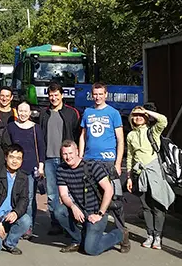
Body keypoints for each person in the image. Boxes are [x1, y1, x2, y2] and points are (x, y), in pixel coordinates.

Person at [55, 140, 130, 255]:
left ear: (77, 152)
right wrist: (73, 206)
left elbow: (109, 190)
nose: (68, 157)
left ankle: (119, 234)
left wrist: (100, 214)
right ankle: (78, 239)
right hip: (79, 210)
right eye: (65, 154)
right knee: (59, 211)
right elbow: (64, 194)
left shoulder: (91, 166)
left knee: (91, 250)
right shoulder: (61, 170)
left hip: (96, 211)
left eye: (70, 153)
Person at [125, 106, 174, 250]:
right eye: (135, 115)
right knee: (146, 206)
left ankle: (158, 236)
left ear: (146, 117)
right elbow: (130, 157)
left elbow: (163, 121)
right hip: (140, 174)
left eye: (141, 115)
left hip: (155, 173)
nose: (138, 117)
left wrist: (147, 112)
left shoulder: (153, 131)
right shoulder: (131, 136)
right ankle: (150, 235)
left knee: (158, 205)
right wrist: (128, 176)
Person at [78, 83, 125, 229]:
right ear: (92, 95)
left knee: (115, 198)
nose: (97, 97)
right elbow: (82, 136)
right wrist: (80, 156)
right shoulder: (87, 112)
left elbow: (120, 140)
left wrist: (118, 163)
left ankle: (122, 232)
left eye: (100, 94)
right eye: (95, 94)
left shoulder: (113, 113)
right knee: (90, 196)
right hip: (90, 160)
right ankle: (92, 228)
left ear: (106, 95)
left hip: (108, 161)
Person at [38, 82, 79, 236]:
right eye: (51, 95)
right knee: (52, 194)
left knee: (71, 193)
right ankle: (56, 223)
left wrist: (76, 156)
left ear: (62, 95)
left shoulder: (71, 113)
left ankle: (71, 222)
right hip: (49, 159)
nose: (53, 98)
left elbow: (77, 134)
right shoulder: (44, 114)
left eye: (56, 95)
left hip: (66, 160)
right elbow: (40, 137)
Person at [0, 144, 32, 255]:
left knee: (26, 220)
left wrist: (16, 213)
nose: (15, 161)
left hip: (9, 217)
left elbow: (24, 199)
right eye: (12, 157)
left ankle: (9, 243)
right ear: (6, 157)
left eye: (18, 158)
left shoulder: (23, 177)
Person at [7, 101, 45, 237]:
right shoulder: (11, 127)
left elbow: (41, 148)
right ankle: (14, 222)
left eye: (25, 111)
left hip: (31, 167)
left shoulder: (36, 128)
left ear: (30, 113)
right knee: (13, 196)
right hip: (14, 167)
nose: (23, 114)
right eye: (20, 111)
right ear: (17, 111)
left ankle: (28, 226)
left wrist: (41, 166)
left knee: (29, 198)